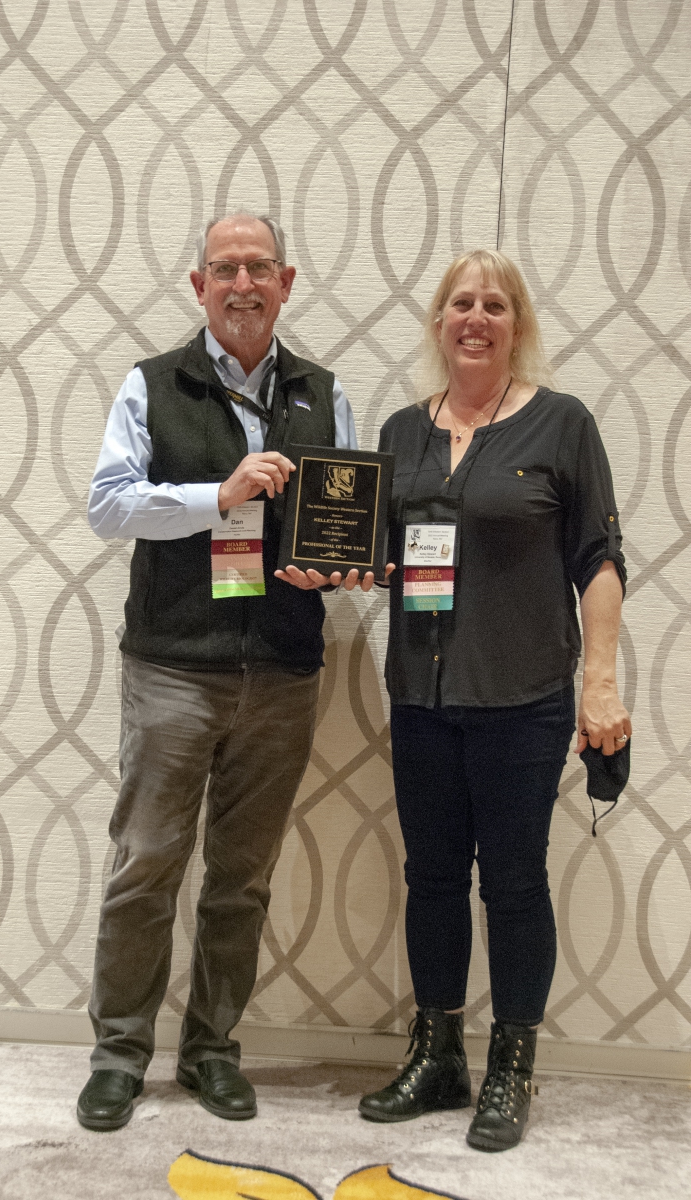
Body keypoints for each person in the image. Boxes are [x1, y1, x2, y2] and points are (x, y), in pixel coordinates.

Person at [78, 212, 374, 1132]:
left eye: (259, 268)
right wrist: (221, 496)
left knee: (241, 880)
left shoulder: (324, 392)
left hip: (283, 671)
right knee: (146, 867)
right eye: (225, 268)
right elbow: (108, 506)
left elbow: (342, 520)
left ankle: (211, 1050)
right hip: (172, 668)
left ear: (287, 282)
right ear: (199, 285)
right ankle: (118, 1055)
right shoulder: (151, 383)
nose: (243, 284)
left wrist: (339, 568)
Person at [356, 249, 630, 1152]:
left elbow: (598, 559)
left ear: (518, 326)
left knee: (513, 883)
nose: (476, 318)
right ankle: (438, 1057)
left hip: (524, 696)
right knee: (431, 879)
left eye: (496, 305)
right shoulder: (402, 431)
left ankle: (512, 1068)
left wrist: (600, 684)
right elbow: (377, 554)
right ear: (439, 321)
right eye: (462, 303)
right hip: (422, 694)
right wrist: (332, 565)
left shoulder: (561, 423)